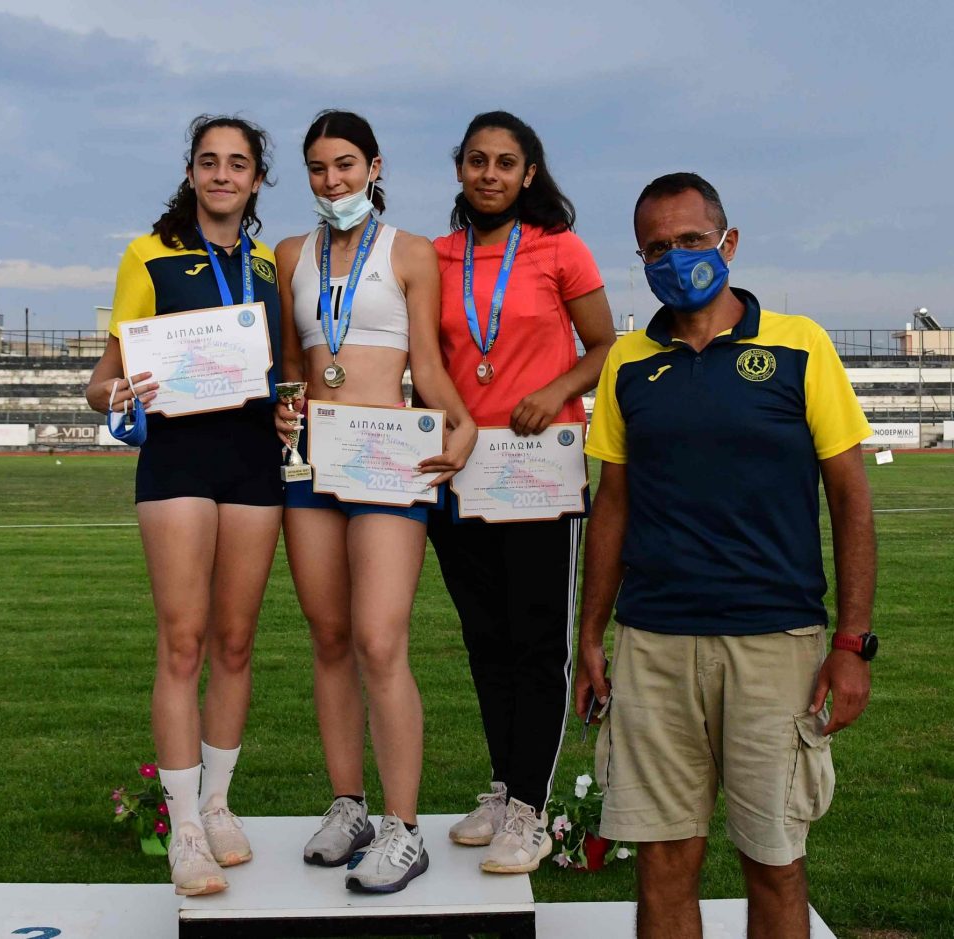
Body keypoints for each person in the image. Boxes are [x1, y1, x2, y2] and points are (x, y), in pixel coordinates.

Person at [576, 173, 877, 938]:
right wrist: (590, 636)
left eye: (691, 240)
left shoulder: (800, 344)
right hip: (654, 643)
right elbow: (612, 504)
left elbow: (850, 498)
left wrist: (851, 644)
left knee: (774, 862)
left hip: (775, 642)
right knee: (662, 864)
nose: (675, 258)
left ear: (728, 242)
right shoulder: (628, 361)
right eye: (656, 248)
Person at [272, 109, 477, 893]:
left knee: (380, 640)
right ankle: (348, 805)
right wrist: (283, 407)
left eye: (346, 165)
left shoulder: (409, 251)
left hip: (388, 460)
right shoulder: (290, 254)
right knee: (329, 638)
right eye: (319, 168)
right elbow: (293, 366)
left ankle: (404, 827)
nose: (333, 181)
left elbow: (427, 361)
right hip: (311, 464)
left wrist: (458, 420)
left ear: (375, 167)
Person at [86, 115, 285, 897]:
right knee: (183, 642)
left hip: (254, 462)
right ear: (193, 172)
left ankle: (218, 803)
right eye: (210, 162)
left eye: (237, 163)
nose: (222, 175)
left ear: (257, 179)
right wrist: (120, 391)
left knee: (235, 642)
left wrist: (290, 408)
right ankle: (185, 830)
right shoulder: (150, 253)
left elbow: (282, 373)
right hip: (177, 461)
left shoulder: (269, 265)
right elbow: (101, 382)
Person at [428, 111, 616, 874]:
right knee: (487, 640)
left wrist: (557, 388)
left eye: (506, 162)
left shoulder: (560, 248)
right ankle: (506, 787)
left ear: (529, 174)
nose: (490, 174)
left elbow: (604, 346)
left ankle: (532, 812)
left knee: (539, 643)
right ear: (459, 168)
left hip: (540, 470)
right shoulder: (435, 256)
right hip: (464, 471)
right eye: (477, 160)